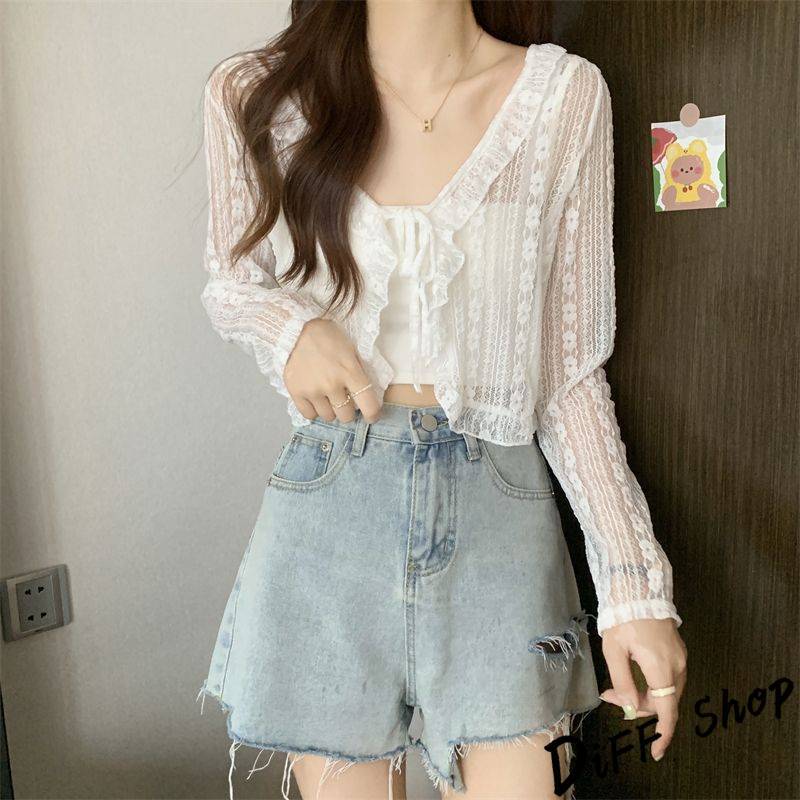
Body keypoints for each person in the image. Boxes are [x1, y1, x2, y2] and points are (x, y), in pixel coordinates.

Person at [195, 2, 688, 799]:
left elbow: (568, 374)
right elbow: (232, 280)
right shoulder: (254, 93)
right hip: (332, 507)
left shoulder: (561, 97)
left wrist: (633, 585)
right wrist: (290, 331)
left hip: (501, 516)